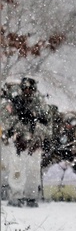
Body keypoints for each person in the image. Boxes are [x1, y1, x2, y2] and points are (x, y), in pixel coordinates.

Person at [1, 77, 51, 207]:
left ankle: (31, 197)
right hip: (17, 141)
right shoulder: (12, 103)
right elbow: (5, 122)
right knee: (17, 169)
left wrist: (35, 122)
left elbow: (48, 125)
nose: (27, 91)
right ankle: (16, 196)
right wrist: (19, 117)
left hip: (34, 142)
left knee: (33, 170)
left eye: (30, 88)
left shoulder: (40, 104)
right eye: (25, 88)